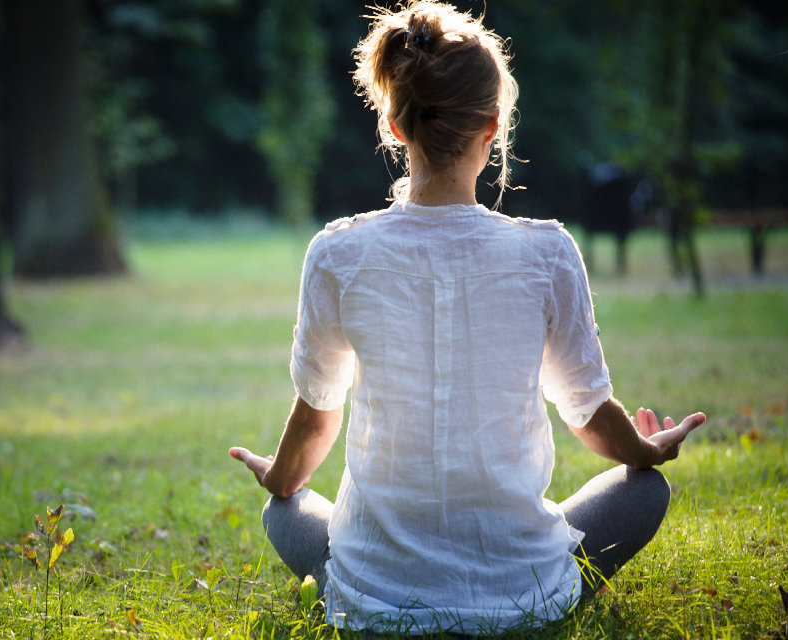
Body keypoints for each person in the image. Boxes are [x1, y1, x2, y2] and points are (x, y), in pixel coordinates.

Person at [227, 1, 707, 636]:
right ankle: (519, 578)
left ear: (396, 129)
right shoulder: (547, 252)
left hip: (377, 600)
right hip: (527, 592)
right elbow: (590, 416)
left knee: (281, 511)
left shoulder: (337, 253)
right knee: (646, 490)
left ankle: (371, 580)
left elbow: (317, 418)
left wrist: (279, 479)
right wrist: (643, 449)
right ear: (493, 126)